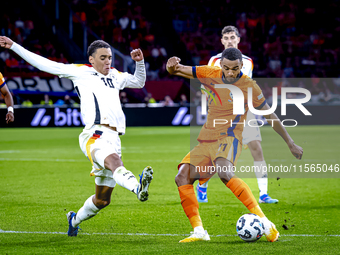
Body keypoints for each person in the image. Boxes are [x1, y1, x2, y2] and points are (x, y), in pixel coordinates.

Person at [0, 36, 153, 236]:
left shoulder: (116, 75)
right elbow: (45, 64)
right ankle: (137, 187)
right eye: (103, 58)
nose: (108, 61)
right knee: (115, 162)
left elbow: (139, 82)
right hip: (94, 135)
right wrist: (15, 46)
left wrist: (139, 62)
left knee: (102, 200)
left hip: (114, 139)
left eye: (110, 57)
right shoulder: (81, 72)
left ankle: (74, 219)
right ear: (92, 59)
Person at [166, 47, 303, 243]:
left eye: (235, 69)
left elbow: (270, 115)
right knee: (182, 177)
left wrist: (290, 143)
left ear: (241, 66)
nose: (231, 73)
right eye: (227, 68)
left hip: (230, 137)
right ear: (220, 64)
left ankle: (265, 222)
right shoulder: (208, 73)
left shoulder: (249, 86)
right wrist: (170, 64)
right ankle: (199, 231)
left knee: (225, 172)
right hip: (207, 139)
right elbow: (176, 70)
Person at [196, 26, 278, 204]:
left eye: (232, 37)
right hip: (223, 113)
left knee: (257, 148)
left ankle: (263, 194)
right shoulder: (214, 60)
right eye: (226, 38)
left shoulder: (248, 61)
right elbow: (207, 84)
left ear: (239, 40)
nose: (229, 40)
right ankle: (202, 185)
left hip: (244, 113)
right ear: (222, 41)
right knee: (216, 155)